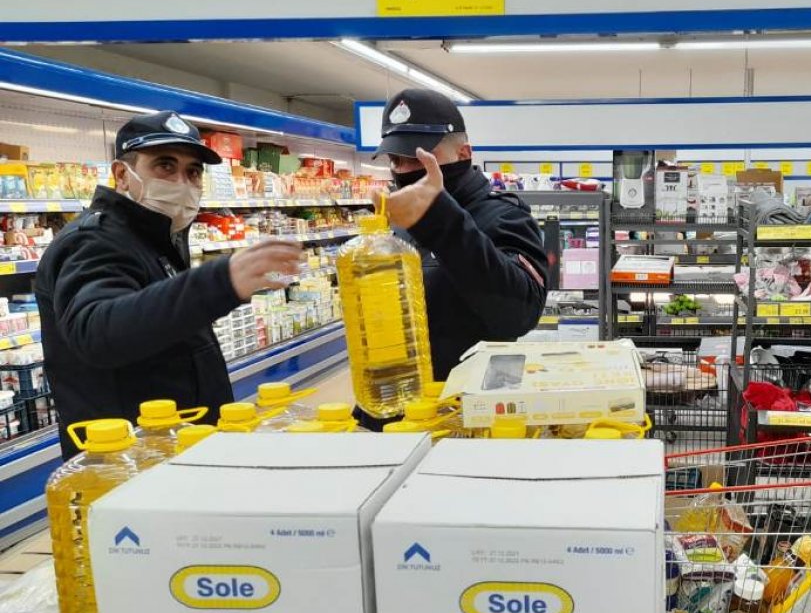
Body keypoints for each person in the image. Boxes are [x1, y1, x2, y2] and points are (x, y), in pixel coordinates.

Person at [35, 111, 305, 456]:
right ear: (122, 174)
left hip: (178, 445)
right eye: (165, 166)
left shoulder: (156, 238)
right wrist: (221, 280)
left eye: (193, 172)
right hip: (126, 460)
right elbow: (96, 330)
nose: (182, 183)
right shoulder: (93, 241)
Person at [371, 87, 548, 382]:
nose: (404, 170)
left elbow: (521, 314)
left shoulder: (504, 216)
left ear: (463, 153)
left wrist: (440, 219)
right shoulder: (400, 222)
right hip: (402, 396)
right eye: (396, 159)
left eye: (419, 157)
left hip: (471, 399)